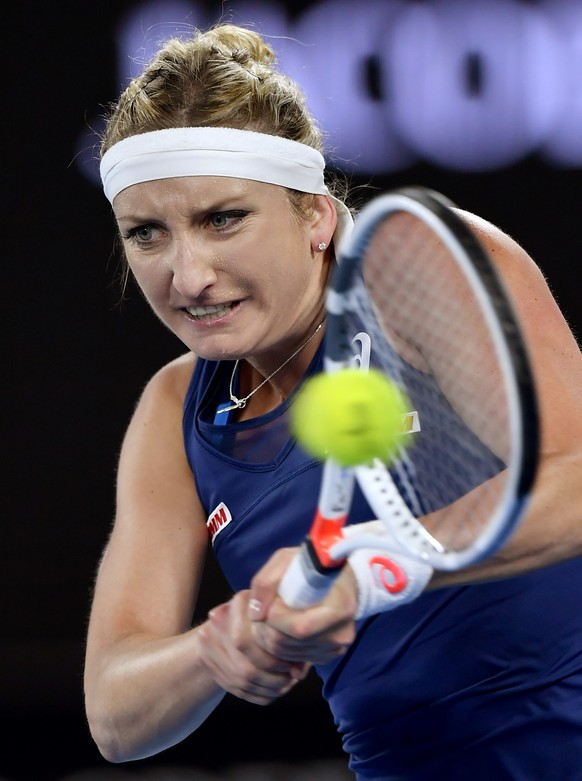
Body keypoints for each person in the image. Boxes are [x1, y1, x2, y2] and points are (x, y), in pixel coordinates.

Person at [84, 22, 582, 781]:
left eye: (224, 218)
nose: (187, 277)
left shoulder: (417, 280)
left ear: (315, 216)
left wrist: (374, 558)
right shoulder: (173, 407)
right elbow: (116, 714)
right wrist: (219, 646)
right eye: (147, 232)